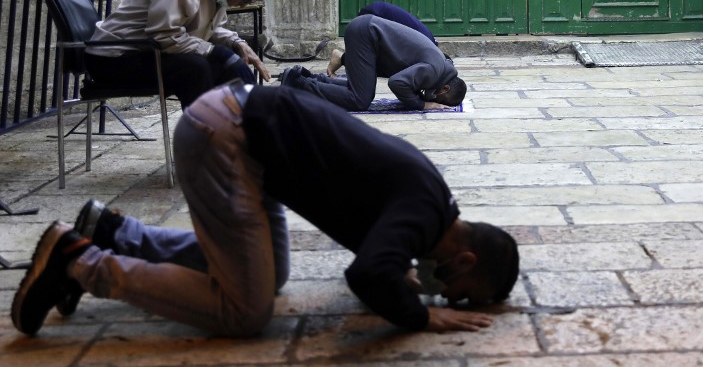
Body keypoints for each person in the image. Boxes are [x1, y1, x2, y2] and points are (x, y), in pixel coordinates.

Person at [11, 82, 519, 337]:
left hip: (242, 133)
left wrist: (397, 280)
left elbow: (379, 268)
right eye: (462, 295)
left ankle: (112, 230)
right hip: (227, 139)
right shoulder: (421, 214)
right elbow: (366, 276)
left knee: (265, 278)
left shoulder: (430, 207)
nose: (450, 299)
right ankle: (77, 261)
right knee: (246, 311)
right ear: (465, 260)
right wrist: (419, 318)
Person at [85, 0, 271, 106]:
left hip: (146, 52)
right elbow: (163, 35)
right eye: (245, 0)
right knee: (195, 68)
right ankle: (201, 140)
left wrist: (236, 43)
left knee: (226, 66)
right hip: (112, 58)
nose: (242, 6)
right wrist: (216, 52)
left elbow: (209, 31)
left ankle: (246, 129)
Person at [283, 14, 466, 112]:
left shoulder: (441, 66)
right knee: (360, 99)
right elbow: (397, 82)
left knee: (360, 87)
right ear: (445, 89)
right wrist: (422, 105)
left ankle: (310, 78)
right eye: (440, 99)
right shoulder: (435, 70)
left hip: (367, 32)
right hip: (366, 35)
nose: (434, 99)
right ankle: (298, 83)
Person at [327, 1, 442, 75]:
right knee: (387, 66)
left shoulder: (429, 45)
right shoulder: (425, 47)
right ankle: (342, 58)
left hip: (377, 13)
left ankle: (344, 58)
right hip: (374, 16)